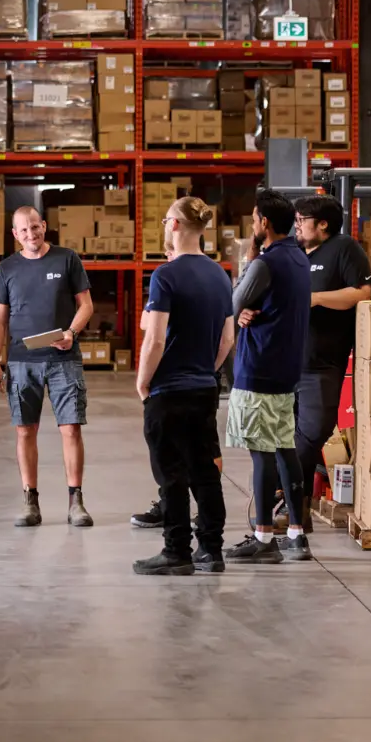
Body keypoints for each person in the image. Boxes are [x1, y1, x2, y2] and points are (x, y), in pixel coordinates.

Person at [131, 197, 236, 576]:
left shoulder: (166, 275)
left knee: (171, 474)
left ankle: (177, 551)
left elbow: (154, 339)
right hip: (204, 389)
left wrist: (144, 382)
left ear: (174, 225)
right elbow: (227, 338)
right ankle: (212, 549)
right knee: (205, 471)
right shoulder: (219, 275)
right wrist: (204, 371)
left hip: (169, 390)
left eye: (164, 219)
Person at [0, 206, 95, 528]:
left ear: (44, 226)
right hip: (22, 362)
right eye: (24, 230)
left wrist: (71, 333)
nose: (31, 234)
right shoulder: (7, 269)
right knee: (25, 431)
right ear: (15, 235)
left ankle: (76, 501)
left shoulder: (67, 259)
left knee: (71, 428)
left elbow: (86, 305)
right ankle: (30, 500)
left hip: (64, 359)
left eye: (35, 227)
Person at [224, 188, 313, 563]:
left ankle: (263, 538)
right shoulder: (298, 258)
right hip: (286, 369)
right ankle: (296, 533)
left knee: (261, 454)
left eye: (255, 218)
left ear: (263, 222)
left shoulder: (265, 263)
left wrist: (242, 307)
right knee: (284, 449)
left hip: (259, 368)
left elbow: (231, 302)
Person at [291, 194, 371, 527]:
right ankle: (294, 510)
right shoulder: (294, 253)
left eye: (303, 219)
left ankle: (295, 507)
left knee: (311, 434)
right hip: (289, 362)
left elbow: (362, 293)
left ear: (322, 224)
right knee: (286, 438)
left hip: (323, 363)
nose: (297, 224)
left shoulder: (344, 249)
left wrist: (316, 299)